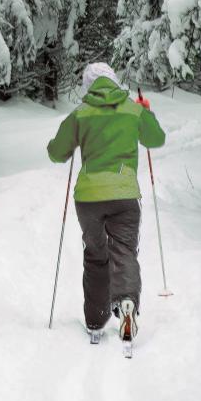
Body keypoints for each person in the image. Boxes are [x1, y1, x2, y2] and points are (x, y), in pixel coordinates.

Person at [46, 62, 166, 345]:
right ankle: (126, 305)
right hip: (124, 196)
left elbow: (56, 153)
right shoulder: (132, 109)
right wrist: (146, 111)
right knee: (124, 251)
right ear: (114, 82)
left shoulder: (81, 113)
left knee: (96, 254)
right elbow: (156, 138)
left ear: (88, 86)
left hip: (88, 199)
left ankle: (95, 320)